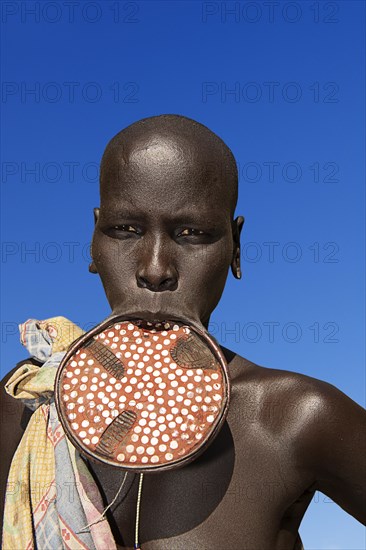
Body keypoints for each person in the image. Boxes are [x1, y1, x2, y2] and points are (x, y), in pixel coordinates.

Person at [1, 114, 365, 549]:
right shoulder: (25, 405)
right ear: (93, 240)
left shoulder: (295, 418)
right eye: (126, 230)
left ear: (235, 247)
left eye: (192, 234)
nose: (155, 270)